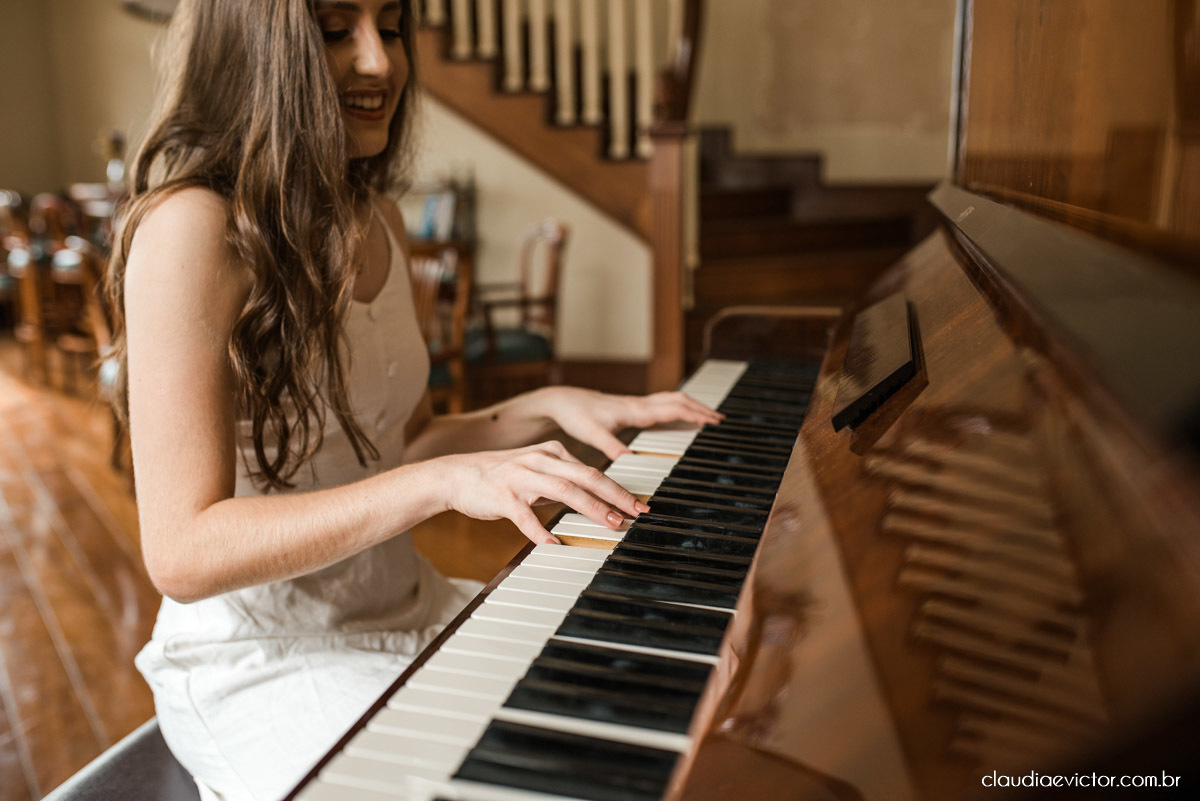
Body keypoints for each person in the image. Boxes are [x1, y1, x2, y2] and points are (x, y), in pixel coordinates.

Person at [107, 1, 720, 799]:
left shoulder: (380, 219)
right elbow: (182, 552)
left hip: (409, 608)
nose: (381, 61)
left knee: (654, 689)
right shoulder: (190, 226)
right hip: (265, 658)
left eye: (390, 25)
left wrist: (548, 405)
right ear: (255, 46)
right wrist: (442, 484)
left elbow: (407, 442)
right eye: (335, 28)